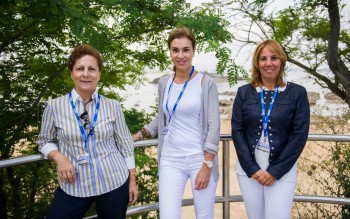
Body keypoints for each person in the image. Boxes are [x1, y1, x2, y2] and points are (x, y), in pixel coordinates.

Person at [36, 45, 138, 219]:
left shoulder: (112, 106)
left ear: (99, 74)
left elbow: (125, 143)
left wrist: (132, 179)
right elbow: (44, 140)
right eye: (80, 68)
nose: (86, 74)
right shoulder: (55, 106)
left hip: (113, 180)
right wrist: (59, 158)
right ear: (72, 73)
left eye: (92, 69)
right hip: (75, 184)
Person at [132, 26, 220, 219]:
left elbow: (214, 126)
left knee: (204, 215)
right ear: (170, 52)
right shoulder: (165, 82)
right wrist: (139, 135)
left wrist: (207, 164)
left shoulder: (206, 83)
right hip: (170, 159)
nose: (180, 55)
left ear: (193, 51)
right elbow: (162, 117)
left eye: (185, 49)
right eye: (175, 50)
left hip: (199, 159)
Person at [231, 39, 310, 219]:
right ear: (257, 63)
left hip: (283, 172)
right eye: (263, 59)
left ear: (281, 61)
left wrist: (275, 171)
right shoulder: (244, 92)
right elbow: (237, 130)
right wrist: (252, 169)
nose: (268, 63)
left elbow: (299, 135)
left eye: (274, 58)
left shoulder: (298, 93)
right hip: (248, 172)